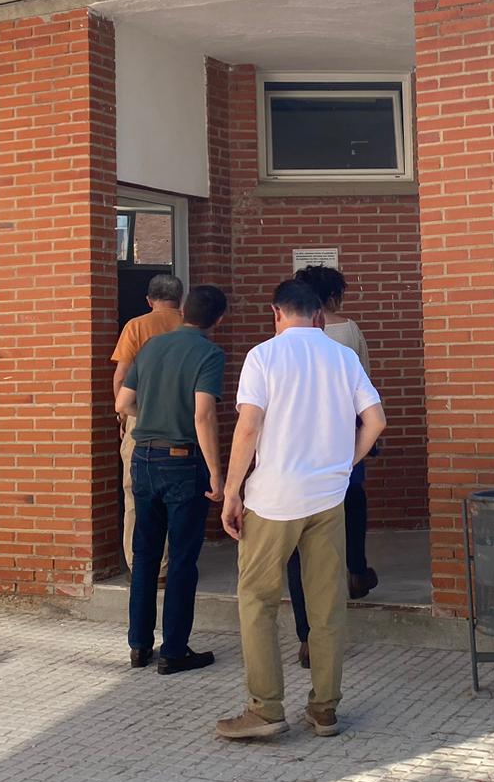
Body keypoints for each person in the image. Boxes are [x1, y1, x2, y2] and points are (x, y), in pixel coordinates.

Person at [215, 279, 386, 740]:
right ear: (318, 316)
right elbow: (376, 420)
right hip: (328, 498)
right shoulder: (343, 356)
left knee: (257, 602)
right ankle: (325, 709)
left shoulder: (263, 356)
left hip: (273, 498)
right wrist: (344, 462)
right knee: (328, 605)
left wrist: (232, 491)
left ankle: (266, 709)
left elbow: (248, 428)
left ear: (276, 313)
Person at [114, 283, 228, 674]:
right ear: (218, 319)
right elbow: (203, 415)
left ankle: (139, 645)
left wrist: (155, 411)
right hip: (182, 461)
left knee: (145, 555)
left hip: (143, 456)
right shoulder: (209, 354)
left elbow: (123, 403)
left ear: (183, 311)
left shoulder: (151, 347)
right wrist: (217, 474)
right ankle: (175, 649)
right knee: (181, 559)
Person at [286, 264, 378, 671]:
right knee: (351, 505)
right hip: (343, 437)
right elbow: (366, 384)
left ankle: (307, 635)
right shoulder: (348, 332)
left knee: (299, 549)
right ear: (332, 297)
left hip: (295, 450)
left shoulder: (280, 341)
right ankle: (355, 569)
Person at [111, 274, 184, 580]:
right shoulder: (189, 327)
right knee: (177, 495)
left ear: (149, 300)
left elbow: (121, 375)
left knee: (135, 494)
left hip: (141, 415)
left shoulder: (136, 326)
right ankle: (171, 566)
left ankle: (141, 565)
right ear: (180, 299)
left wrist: (123, 416)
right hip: (183, 416)